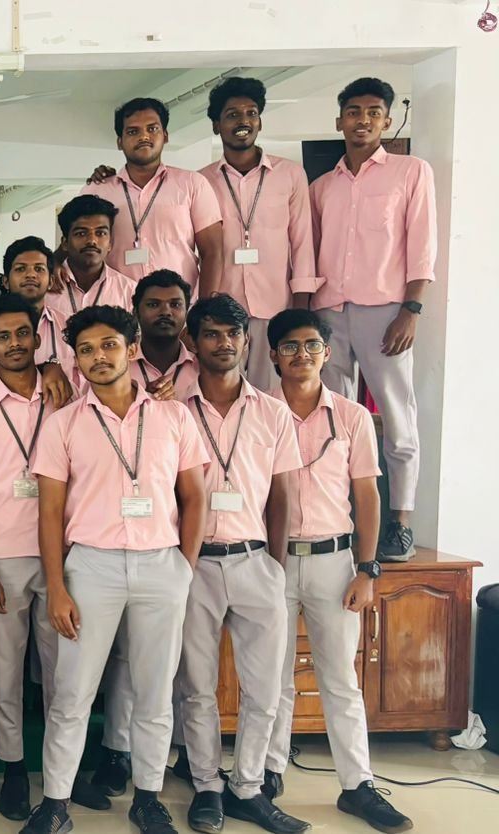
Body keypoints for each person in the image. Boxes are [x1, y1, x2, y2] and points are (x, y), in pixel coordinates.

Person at [20, 304, 208, 834]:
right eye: (85, 350)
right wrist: (56, 587)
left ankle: (147, 799)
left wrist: (184, 567)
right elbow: (49, 512)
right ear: (76, 361)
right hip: (91, 567)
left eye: (108, 345)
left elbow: (195, 497)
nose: (98, 357)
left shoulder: (174, 417)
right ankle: (55, 804)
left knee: (155, 691)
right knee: (72, 692)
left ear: (132, 350)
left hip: (161, 564)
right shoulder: (63, 425)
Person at [262, 308, 412, 832]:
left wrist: (367, 570)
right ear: (273, 354)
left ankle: (358, 785)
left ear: (327, 353)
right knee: (271, 677)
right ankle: (267, 773)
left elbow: (367, 495)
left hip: (334, 561)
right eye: (289, 346)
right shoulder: (260, 412)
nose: (301, 354)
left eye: (311, 345)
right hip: (273, 561)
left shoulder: (351, 416)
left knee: (340, 679)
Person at [174, 295, 310, 834]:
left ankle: (248, 786)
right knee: (196, 687)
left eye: (233, 334)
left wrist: (275, 565)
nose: (224, 343)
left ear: (247, 342)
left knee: (265, 687)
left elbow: (282, 495)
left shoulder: (273, 413)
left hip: (256, 561)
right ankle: (207, 785)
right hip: (195, 565)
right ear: (192, 341)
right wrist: (181, 566)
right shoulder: (174, 410)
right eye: (211, 333)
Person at [307, 77, 434, 561]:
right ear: (339, 120)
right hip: (329, 313)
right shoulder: (321, 187)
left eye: (373, 112)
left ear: (386, 120)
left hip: (386, 312)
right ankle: (339, 516)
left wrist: (411, 310)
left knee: (398, 417)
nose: (363, 120)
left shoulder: (410, 172)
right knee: (333, 420)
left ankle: (401, 522)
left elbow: (422, 246)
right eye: (354, 112)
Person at [0, 294, 64, 821]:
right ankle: (15, 768)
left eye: (23, 333)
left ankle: (61, 773)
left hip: (62, 555)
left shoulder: (66, 397)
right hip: (3, 557)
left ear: (38, 337)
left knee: (61, 670)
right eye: (3, 337)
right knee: (5, 671)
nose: (15, 344)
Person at [198, 77, 316, 390]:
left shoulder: (290, 174)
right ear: (216, 125)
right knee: (222, 390)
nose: (243, 121)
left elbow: (302, 241)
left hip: (275, 305)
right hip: (221, 309)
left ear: (259, 122)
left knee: (270, 394)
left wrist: (300, 308)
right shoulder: (200, 181)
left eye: (251, 113)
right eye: (232, 114)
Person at [82, 98, 224, 296]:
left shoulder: (192, 183)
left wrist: (206, 308)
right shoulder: (97, 191)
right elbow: (77, 250)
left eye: (152, 129)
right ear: (119, 142)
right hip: (115, 306)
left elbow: (213, 252)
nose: (144, 136)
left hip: (179, 307)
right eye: (133, 131)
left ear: (165, 136)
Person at [0, 237, 80, 400]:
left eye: (39, 269)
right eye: (20, 269)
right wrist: (45, 368)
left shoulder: (72, 328)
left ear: (51, 281)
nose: (30, 274)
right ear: (5, 281)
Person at [47, 195, 139, 321]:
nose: (92, 240)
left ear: (110, 243)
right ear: (65, 243)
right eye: (81, 233)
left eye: (100, 233)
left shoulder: (129, 292)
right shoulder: (45, 286)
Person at [129, 269, 199, 402]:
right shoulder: (119, 367)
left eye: (175, 304)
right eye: (154, 304)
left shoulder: (201, 368)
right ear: (136, 313)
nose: (166, 311)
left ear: (186, 313)